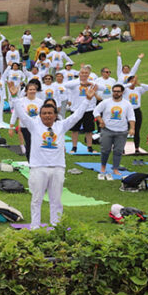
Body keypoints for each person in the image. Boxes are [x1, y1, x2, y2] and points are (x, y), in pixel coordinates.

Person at [15, 85, 97, 227]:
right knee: (36, 199)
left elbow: (76, 116)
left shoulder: (61, 126)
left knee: (56, 200)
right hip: (38, 168)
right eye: (44, 113)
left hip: (58, 168)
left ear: (55, 115)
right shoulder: (34, 125)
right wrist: (15, 97)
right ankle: (35, 227)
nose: (47, 115)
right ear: (40, 115)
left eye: (50, 113)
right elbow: (21, 114)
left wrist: (87, 100)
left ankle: (56, 225)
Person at [93, 84, 135, 180]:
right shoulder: (106, 102)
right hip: (107, 130)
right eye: (114, 91)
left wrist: (132, 128)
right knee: (105, 150)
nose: (116, 93)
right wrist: (101, 121)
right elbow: (96, 111)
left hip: (122, 131)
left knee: (118, 151)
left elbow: (131, 117)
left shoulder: (127, 104)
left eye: (118, 91)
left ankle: (115, 168)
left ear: (122, 92)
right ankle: (103, 166)